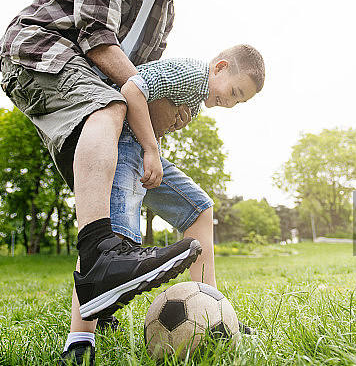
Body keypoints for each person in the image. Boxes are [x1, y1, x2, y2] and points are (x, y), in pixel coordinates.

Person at [0, 0, 219, 323]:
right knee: (110, 105)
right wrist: (148, 112)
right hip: (39, 50)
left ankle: (103, 295)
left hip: (97, 99)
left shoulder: (165, 12)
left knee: (119, 155)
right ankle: (102, 254)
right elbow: (98, 44)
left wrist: (161, 123)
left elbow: (143, 81)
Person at [60, 44, 265, 365]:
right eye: (235, 91)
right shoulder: (193, 73)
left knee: (199, 207)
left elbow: (152, 109)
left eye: (240, 100)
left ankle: (211, 307)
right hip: (123, 144)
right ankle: (80, 337)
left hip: (143, 149)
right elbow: (132, 88)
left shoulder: (196, 100)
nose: (231, 102)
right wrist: (151, 149)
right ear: (220, 67)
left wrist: (164, 128)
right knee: (112, 240)